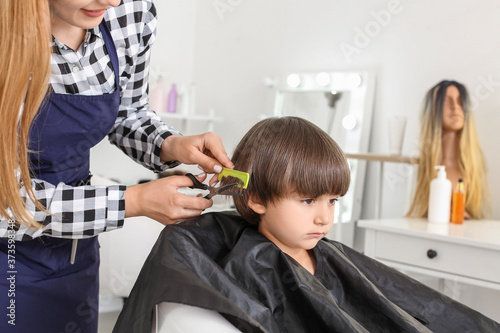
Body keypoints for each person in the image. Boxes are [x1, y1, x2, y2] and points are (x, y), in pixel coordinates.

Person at [114, 117, 499, 333]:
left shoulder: (331, 255)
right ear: (255, 198)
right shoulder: (247, 263)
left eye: (332, 200)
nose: (324, 216)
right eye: (307, 200)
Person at [0, 0, 233, 331]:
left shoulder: (131, 14)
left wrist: (170, 145)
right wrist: (133, 201)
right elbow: (8, 205)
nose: (110, 1)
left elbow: (128, 112)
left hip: (76, 248)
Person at [407, 80, 491, 220]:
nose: (455, 108)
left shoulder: (475, 165)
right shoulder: (420, 166)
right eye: (446, 102)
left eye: (459, 101)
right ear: (432, 110)